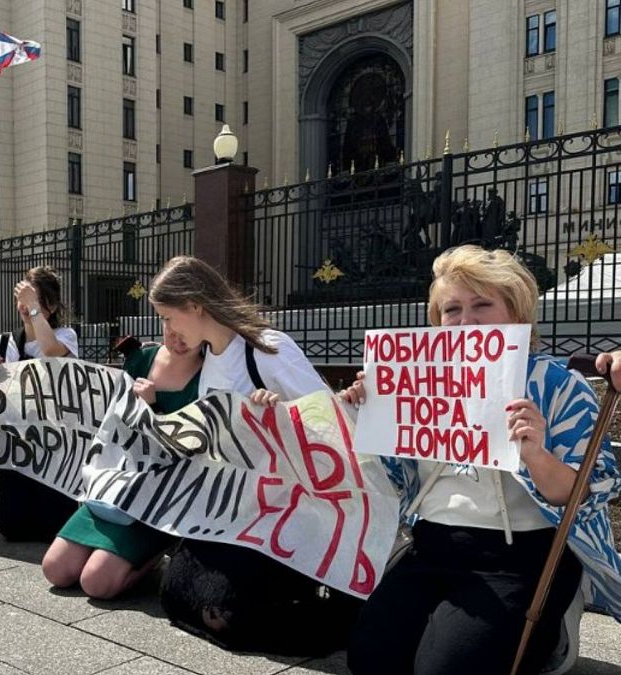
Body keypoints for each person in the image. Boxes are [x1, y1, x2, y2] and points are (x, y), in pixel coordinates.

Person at [342, 245, 621, 675]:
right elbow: (394, 478)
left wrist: (535, 453)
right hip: (433, 546)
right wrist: (369, 411)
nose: (465, 320)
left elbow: (582, 494)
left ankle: (552, 625)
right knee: (371, 659)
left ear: (517, 312)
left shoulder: (559, 385)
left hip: (521, 556)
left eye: (482, 304)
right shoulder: (418, 379)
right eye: (452, 309)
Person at [148, 255, 361, 656]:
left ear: (195, 305)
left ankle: (336, 615)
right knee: (175, 593)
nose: (168, 330)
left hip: (285, 511)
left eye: (168, 317)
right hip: (236, 509)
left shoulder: (267, 349)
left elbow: (331, 422)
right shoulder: (208, 357)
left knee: (221, 614)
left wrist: (279, 416)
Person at [43, 328, 203, 599]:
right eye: (169, 326)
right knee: (55, 570)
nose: (178, 340)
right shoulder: (140, 359)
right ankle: (121, 556)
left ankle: (153, 557)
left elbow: (194, 449)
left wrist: (153, 411)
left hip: (158, 499)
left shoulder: (210, 374)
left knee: (97, 583)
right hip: (116, 487)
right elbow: (112, 426)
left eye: (186, 329)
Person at [0, 266, 81, 542]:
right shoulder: (5, 342)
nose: (26, 307)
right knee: (11, 527)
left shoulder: (65, 337)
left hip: (54, 442)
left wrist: (35, 308)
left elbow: (50, 353)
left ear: (50, 304)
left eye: (35, 300)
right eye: (24, 300)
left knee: (55, 528)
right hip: (18, 443)